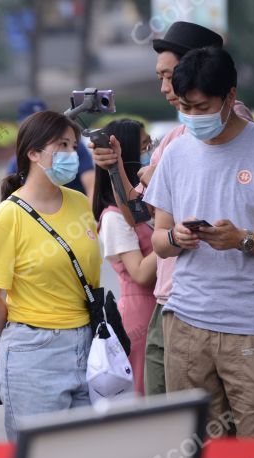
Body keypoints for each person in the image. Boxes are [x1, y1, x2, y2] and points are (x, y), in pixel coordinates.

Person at [144, 47, 254, 458]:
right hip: (186, 322)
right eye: (184, 108)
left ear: (230, 96)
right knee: (202, 454)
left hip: (252, 324)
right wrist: (177, 237)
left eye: (200, 107)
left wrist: (245, 240)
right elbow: (156, 240)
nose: (191, 116)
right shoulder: (175, 154)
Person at [0, 111, 102, 441]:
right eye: (61, 145)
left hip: (86, 346)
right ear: (32, 152)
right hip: (33, 354)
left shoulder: (79, 203)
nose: (71, 154)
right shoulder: (7, 217)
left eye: (74, 146)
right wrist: (20, 333)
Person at [92, 119, 157, 396]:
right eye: (144, 147)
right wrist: (173, 237)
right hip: (140, 313)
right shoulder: (113, 217)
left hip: (159, 304)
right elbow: (140, 272)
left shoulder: (145, 203)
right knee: (146, 394)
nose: (150, 153)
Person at [7, 98, 96, 196]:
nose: (71, 152)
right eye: (31, 123)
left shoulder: (77, 148)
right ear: (33, 154)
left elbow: (91, 185)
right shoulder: (16, 163)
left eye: (42, 123)